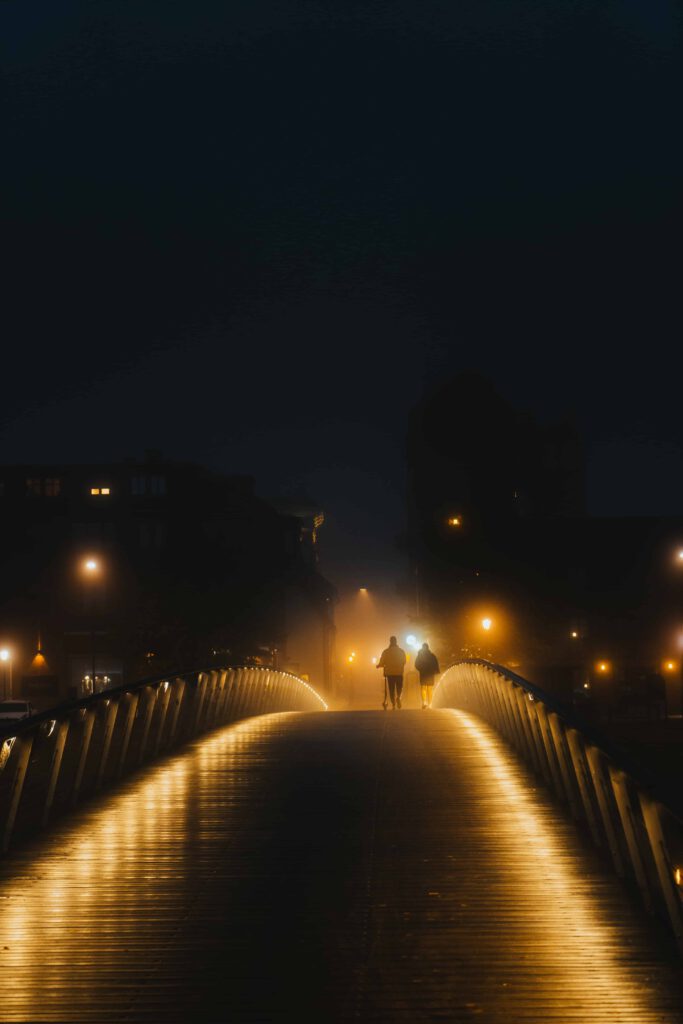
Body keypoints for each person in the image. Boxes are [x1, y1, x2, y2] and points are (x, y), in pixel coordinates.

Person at [376, 636, 406, 709]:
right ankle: (398, 697)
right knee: (399, 687)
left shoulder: (386, 651)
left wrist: (379, 666)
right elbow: (404, 661)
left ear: (390, 641)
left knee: (391, 689)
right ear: (396, 641)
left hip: (390, 673)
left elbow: (382, 662)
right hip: (399, 672)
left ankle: (393, 703)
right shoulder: (401, 651)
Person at [414, 642, 440, 709]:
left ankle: (424, 702)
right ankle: (430, 703)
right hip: (430, 673)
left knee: (423, 688)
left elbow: (416, 664)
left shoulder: (419, 656)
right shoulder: (432, 656)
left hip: (423, 673)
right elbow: (435, 664)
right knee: (430, 689)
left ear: (422, 648)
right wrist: (436, 671)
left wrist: (420, 669)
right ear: (428, 648)